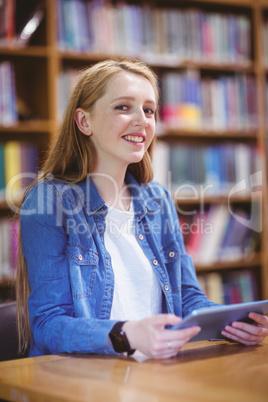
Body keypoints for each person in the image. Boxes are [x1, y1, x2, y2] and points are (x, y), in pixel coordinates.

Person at [16, 58, 268, 359]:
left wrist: (234, 323)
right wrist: (125, 334)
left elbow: (187, 298)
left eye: (149, 110)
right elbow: (49, 324)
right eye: (123, 107)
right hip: (82, 378)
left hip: (153, 373)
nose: (142, 120)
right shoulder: (49, 202)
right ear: (84, 122)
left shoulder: (157, 200)